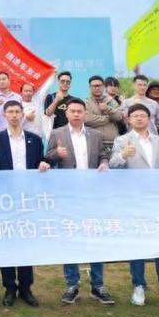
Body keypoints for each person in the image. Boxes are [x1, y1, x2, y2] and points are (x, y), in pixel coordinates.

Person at [108, 104, 159, 308]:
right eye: (135, 115)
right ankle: (139, 285)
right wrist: (123, 156)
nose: (139, 118)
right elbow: (112, 166)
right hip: (135, 200)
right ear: (128, 119)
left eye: (143, 115)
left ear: (149, 118)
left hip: (158, 200)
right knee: (137, 243)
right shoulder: (122, 140)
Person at [43, 97, 113, 306]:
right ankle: (72, 284)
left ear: (84, 113)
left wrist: (104, 163)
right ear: (66, 113)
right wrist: (56, 154)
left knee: (95, 237)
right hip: (68, 196)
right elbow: (47, 158)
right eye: (72, 111)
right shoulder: (57, 134)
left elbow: (104, 155)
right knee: (70, 237)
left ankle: (98, 285)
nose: (76, 114)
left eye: (79, 111)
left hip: (92, 195)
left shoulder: (96, 135)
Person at [0, 100, 50, 307]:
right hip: (6, 199)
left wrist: (43, 163)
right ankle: (9, 288)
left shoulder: (34, 139)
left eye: (17, 111)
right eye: (10, 112)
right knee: (7, 243)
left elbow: (40, 161)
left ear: (22, 114)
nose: (14, 115)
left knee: (25, 242)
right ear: (4, 115)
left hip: (28, 198)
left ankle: (26, 287)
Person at [83, 75, 124, 146]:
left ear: (103, 87)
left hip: (113, 142)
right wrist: (109, 119)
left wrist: (107, 109)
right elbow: (86, 119)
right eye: (94, 86)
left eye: (99, 85)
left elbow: (119, 117)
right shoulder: (85, 103)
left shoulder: (111, 101)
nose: (97, 88)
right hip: (93, 143)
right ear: (90, 87)